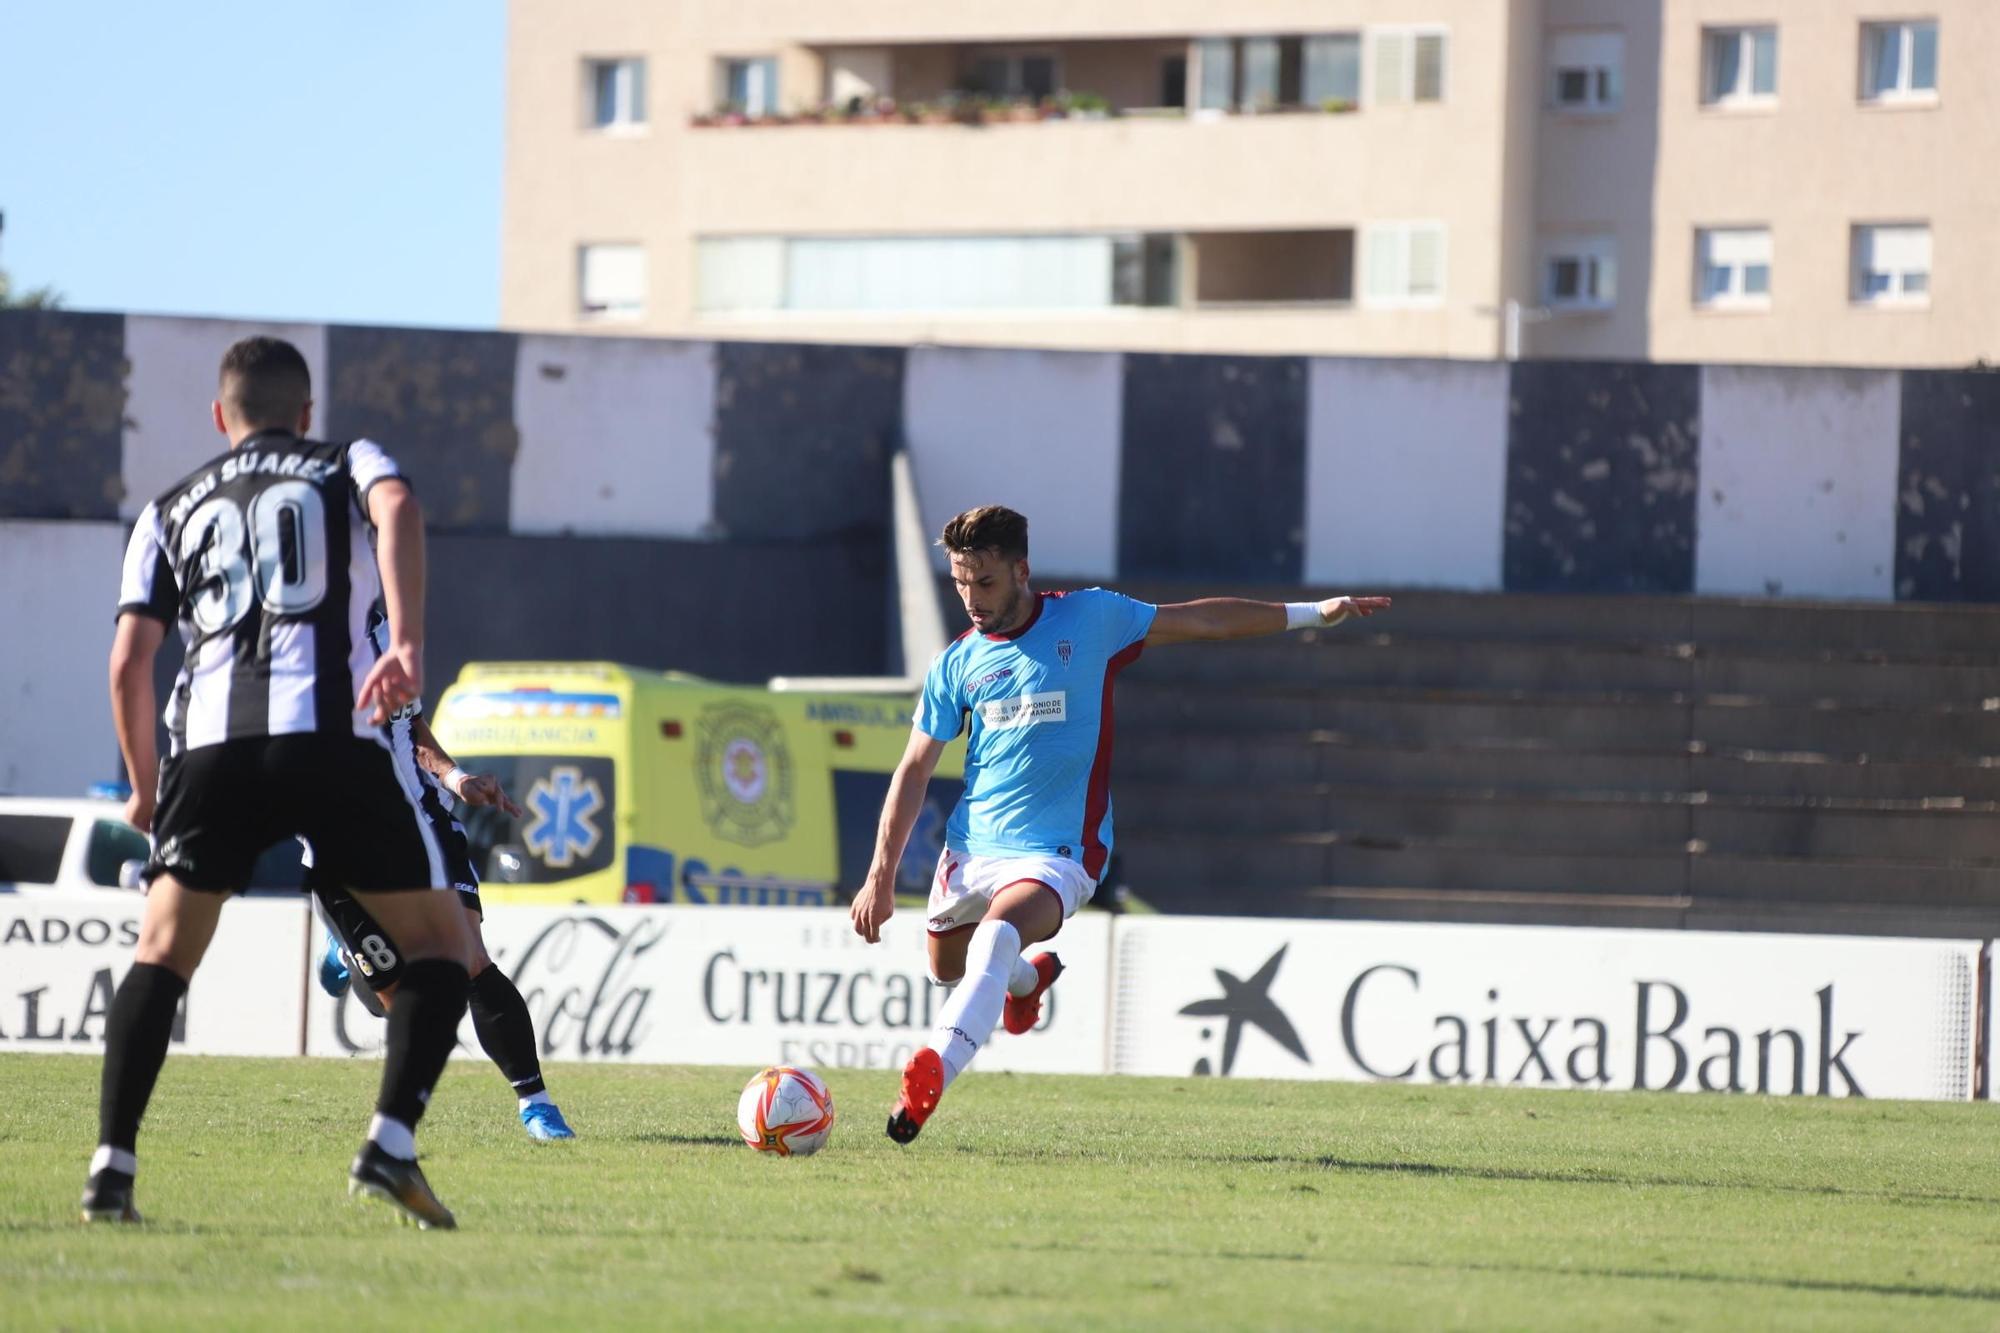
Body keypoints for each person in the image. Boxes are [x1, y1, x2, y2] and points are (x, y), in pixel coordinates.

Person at [849, 505, 1390, 1143]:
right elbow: (914, 770)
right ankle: (1027, 981)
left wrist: (1309, 613)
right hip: (972, 849)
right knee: (947, 967)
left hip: (1058, 852)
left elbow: (1202, 620)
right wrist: (879, 876)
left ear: (1021, 569)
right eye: (961, 582)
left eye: (984, 582)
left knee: (994, 941)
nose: (970, 598)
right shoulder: (957, 664)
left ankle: (931, 1072)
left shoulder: (1092, 618)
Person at [88, 336, 472, 1228]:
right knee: (443, 949)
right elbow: (400, 504)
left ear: (221, 418)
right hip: (332, 740)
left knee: (162, 955)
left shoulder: (168, 507)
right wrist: (408, 645)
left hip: (211, 751)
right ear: (306, 413)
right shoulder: (347, 460)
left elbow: (127, 664)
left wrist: (145, 788)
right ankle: (391, 1143)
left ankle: (111, 1170)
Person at [305, 641, 575, 1141]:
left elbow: (410, 728)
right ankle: (348, 951)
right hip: (347, 840)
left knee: (469, 957)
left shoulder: (384, 628)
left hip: (425, 822)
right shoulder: (299, 644)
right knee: (402, 998)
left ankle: (536, 1105)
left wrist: (456, 778)